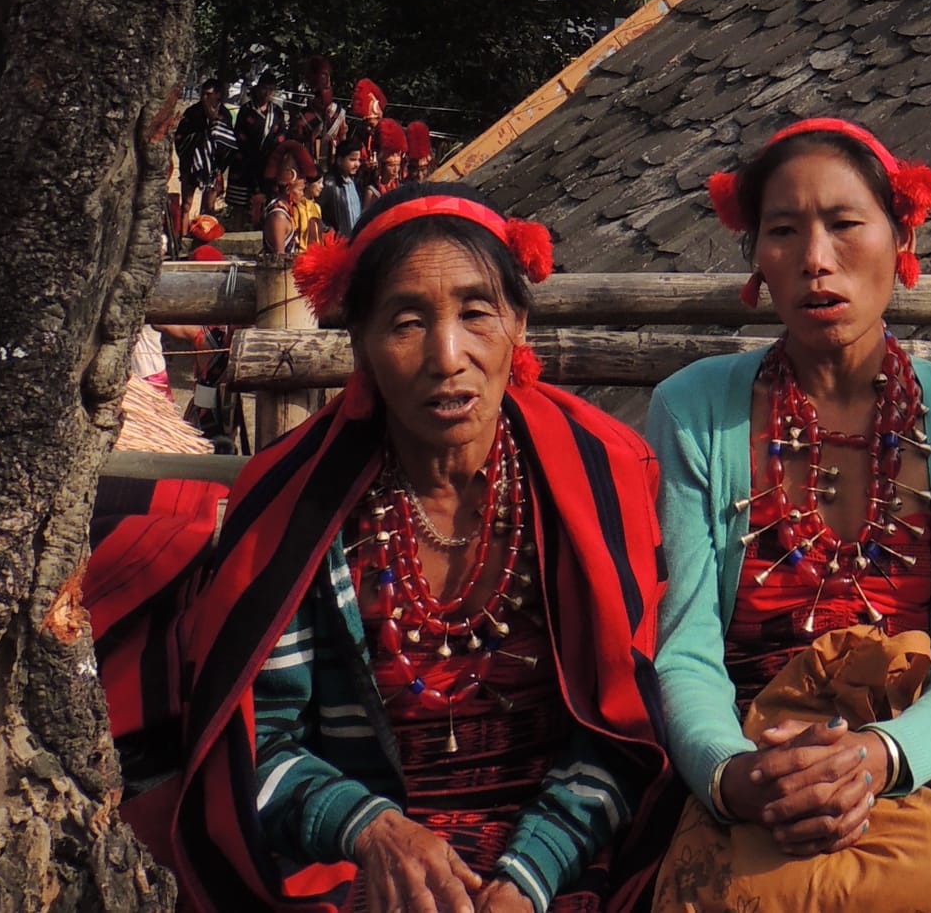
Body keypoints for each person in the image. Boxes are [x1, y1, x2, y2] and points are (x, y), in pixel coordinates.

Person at [161, 179, 673, 910]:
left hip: (568, 856)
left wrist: (526, 879)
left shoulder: (598, 476)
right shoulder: (296, 507)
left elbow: (626, 730)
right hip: (357, 864)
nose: (447, 355)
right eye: (406, 322)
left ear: (519, 323)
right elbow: (256, 743)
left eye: (476, 313)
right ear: (361, 343)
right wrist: (372, 830)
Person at [645, 115, 931, 911]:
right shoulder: (693, 410)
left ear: (901, 236)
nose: (815, 257)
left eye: (844, 223)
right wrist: (736, 774)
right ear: (757, 257)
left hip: (907, 761)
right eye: (783, 230)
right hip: (749, 754)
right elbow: (686, 648)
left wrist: (879, 756)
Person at [175, 82, 238, 235]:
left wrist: (214, 121)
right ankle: (183, 237)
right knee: (186, 205)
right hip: (191, 163)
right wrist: (197, 145)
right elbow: (180, 138)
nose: (204, 97)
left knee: (209, 207)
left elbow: (227, 143)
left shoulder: (224, 114)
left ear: (218, 95)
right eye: (203, 93)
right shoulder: (192, 112)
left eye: (209, 94)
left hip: (215, 166)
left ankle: (204, 237)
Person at [233, 73, 285, 214]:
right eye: (264, 88)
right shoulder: (246, 109)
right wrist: (251, 153)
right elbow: (239, 134)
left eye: (271, 89)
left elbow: (282, 135)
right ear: (258, 88)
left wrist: (272, 152)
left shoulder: (277, 112)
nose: (267, 93)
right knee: (241, 207)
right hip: (246, 162)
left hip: (268, 163)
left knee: (266, 204)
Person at [261, 143, 320, 261]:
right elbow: (279, 260)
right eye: (300, 190)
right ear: (288, 188)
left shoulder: (288, 211)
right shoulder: (278, 216)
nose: (302, 194)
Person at [321, 133, 368, 241]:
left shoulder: (356, 182)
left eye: (359, 160)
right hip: (338, 244)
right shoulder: (329, 184)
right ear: (340, 160)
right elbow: (315, 213)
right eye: (352, 160)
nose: (357, 164)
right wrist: (331, 234)